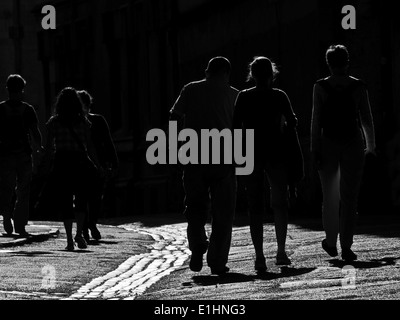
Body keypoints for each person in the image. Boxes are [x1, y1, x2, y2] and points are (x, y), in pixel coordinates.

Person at [170, 57, 239, 275]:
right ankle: (217, 261)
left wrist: (174, 149)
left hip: (193, 157)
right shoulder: (235, 95)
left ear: (207, 71)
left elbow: (174, 116)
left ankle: (198, 244)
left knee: (195, 207)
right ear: (227, 73)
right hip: (224, 159)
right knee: (223, 213)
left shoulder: (190, 89)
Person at [311, 45, 376, 261]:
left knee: (330, 196)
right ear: (347, 61)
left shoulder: (320, 87)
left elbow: (316, 121)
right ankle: (347, 245)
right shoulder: (358, 86)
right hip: (353, 143)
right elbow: (366, 119)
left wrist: (315, 148)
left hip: (328, 143)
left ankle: (331, 242)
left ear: (328, 63)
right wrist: (371, 146)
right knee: (350, 197)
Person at [233, 56, 297, 272]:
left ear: (252, 75)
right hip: (277, 151)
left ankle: (259, 256)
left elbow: (234, 128)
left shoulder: (243, 96)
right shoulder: (279, 96)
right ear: (272, 74)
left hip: (250, 153)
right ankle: (280, 251)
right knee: (280, 203)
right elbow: (292, 123)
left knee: (255, 207)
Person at [44, 87, 102, 251]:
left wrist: (45, 166)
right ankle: (79, 234)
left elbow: (49, 148)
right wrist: (97, 165)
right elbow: (90, 146)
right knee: (81, 199)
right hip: (80, 161)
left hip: (62, 162)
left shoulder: (53, 122)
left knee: (66, 201)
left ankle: (69, 240)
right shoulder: (83, 121)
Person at [0, 74, 44, 236]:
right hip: (24, 155)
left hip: (5, 155)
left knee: (7, 188)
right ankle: (19, 223)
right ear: (22, 90)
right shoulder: (28, 109)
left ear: (7, 89)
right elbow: (35, 131)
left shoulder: (1, 109)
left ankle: (6, 214)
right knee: (23, 190)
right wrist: (39, 147)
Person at [77, 90, 119, 242]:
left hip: (98, 164)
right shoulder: (75, 123)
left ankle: (91, 223)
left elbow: (108, 142)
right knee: (82, 197)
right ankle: (84, 227)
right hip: (81, 164)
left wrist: (113, 163)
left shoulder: (98, 120)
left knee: (95, 197)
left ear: (88, 105)